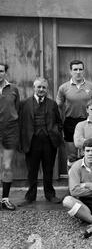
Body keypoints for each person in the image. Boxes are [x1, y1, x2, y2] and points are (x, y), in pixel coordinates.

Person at [19, 78, 63, 204]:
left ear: (47, 89)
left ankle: (50, 195)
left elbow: (59, 122)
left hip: (49, 142)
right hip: (31, 142)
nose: (41, 89)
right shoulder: (24, 103)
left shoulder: (52, 104)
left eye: (44, 87)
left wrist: (56, 133)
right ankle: (30, 196)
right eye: (39, 87)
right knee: (32, 170)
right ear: (34, 88)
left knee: (48, 169)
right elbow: (21, 123)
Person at [56, 60, 92, 169]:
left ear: (83, 71)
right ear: (70, 71)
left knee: (88, 154)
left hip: (88, 123)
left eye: (80, 69)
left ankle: (86, 181)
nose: (78, 72)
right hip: (70, 123)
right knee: (72, 156)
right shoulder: (63, 88)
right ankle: (72, 183)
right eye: (75, 69)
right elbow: (58, 106)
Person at [0, 62, 20, 210]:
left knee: (7, 166)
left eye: (1, 71)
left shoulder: (13, 89)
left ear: (5, 73)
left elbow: (17, 109)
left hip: (10, 130)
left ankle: (5, 199)